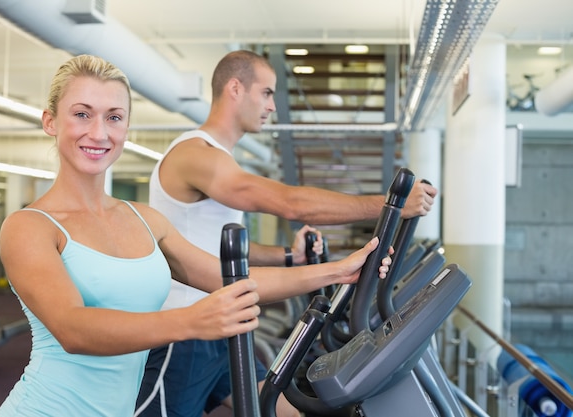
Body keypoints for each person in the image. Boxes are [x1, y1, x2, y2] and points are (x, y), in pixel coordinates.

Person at [0, 54, 392, 417]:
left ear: (126, 127)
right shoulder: (30, 227)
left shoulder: (145, 220)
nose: (99, 132)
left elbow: (233, 280)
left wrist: (340, 272)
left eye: (114, 117)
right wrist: (192, 320)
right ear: (50, 121)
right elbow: (73, 329)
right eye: (82, 114)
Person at [137, 50, 439, 417]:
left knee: (280, 408)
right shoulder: (195, 155)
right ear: (235, 88)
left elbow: (220, 252)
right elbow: (291, 203)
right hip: (185, 332)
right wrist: (392, 205)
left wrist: (289, 257)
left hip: (223, 325)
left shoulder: (218, 158)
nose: (272, 106)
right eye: (266, 93)